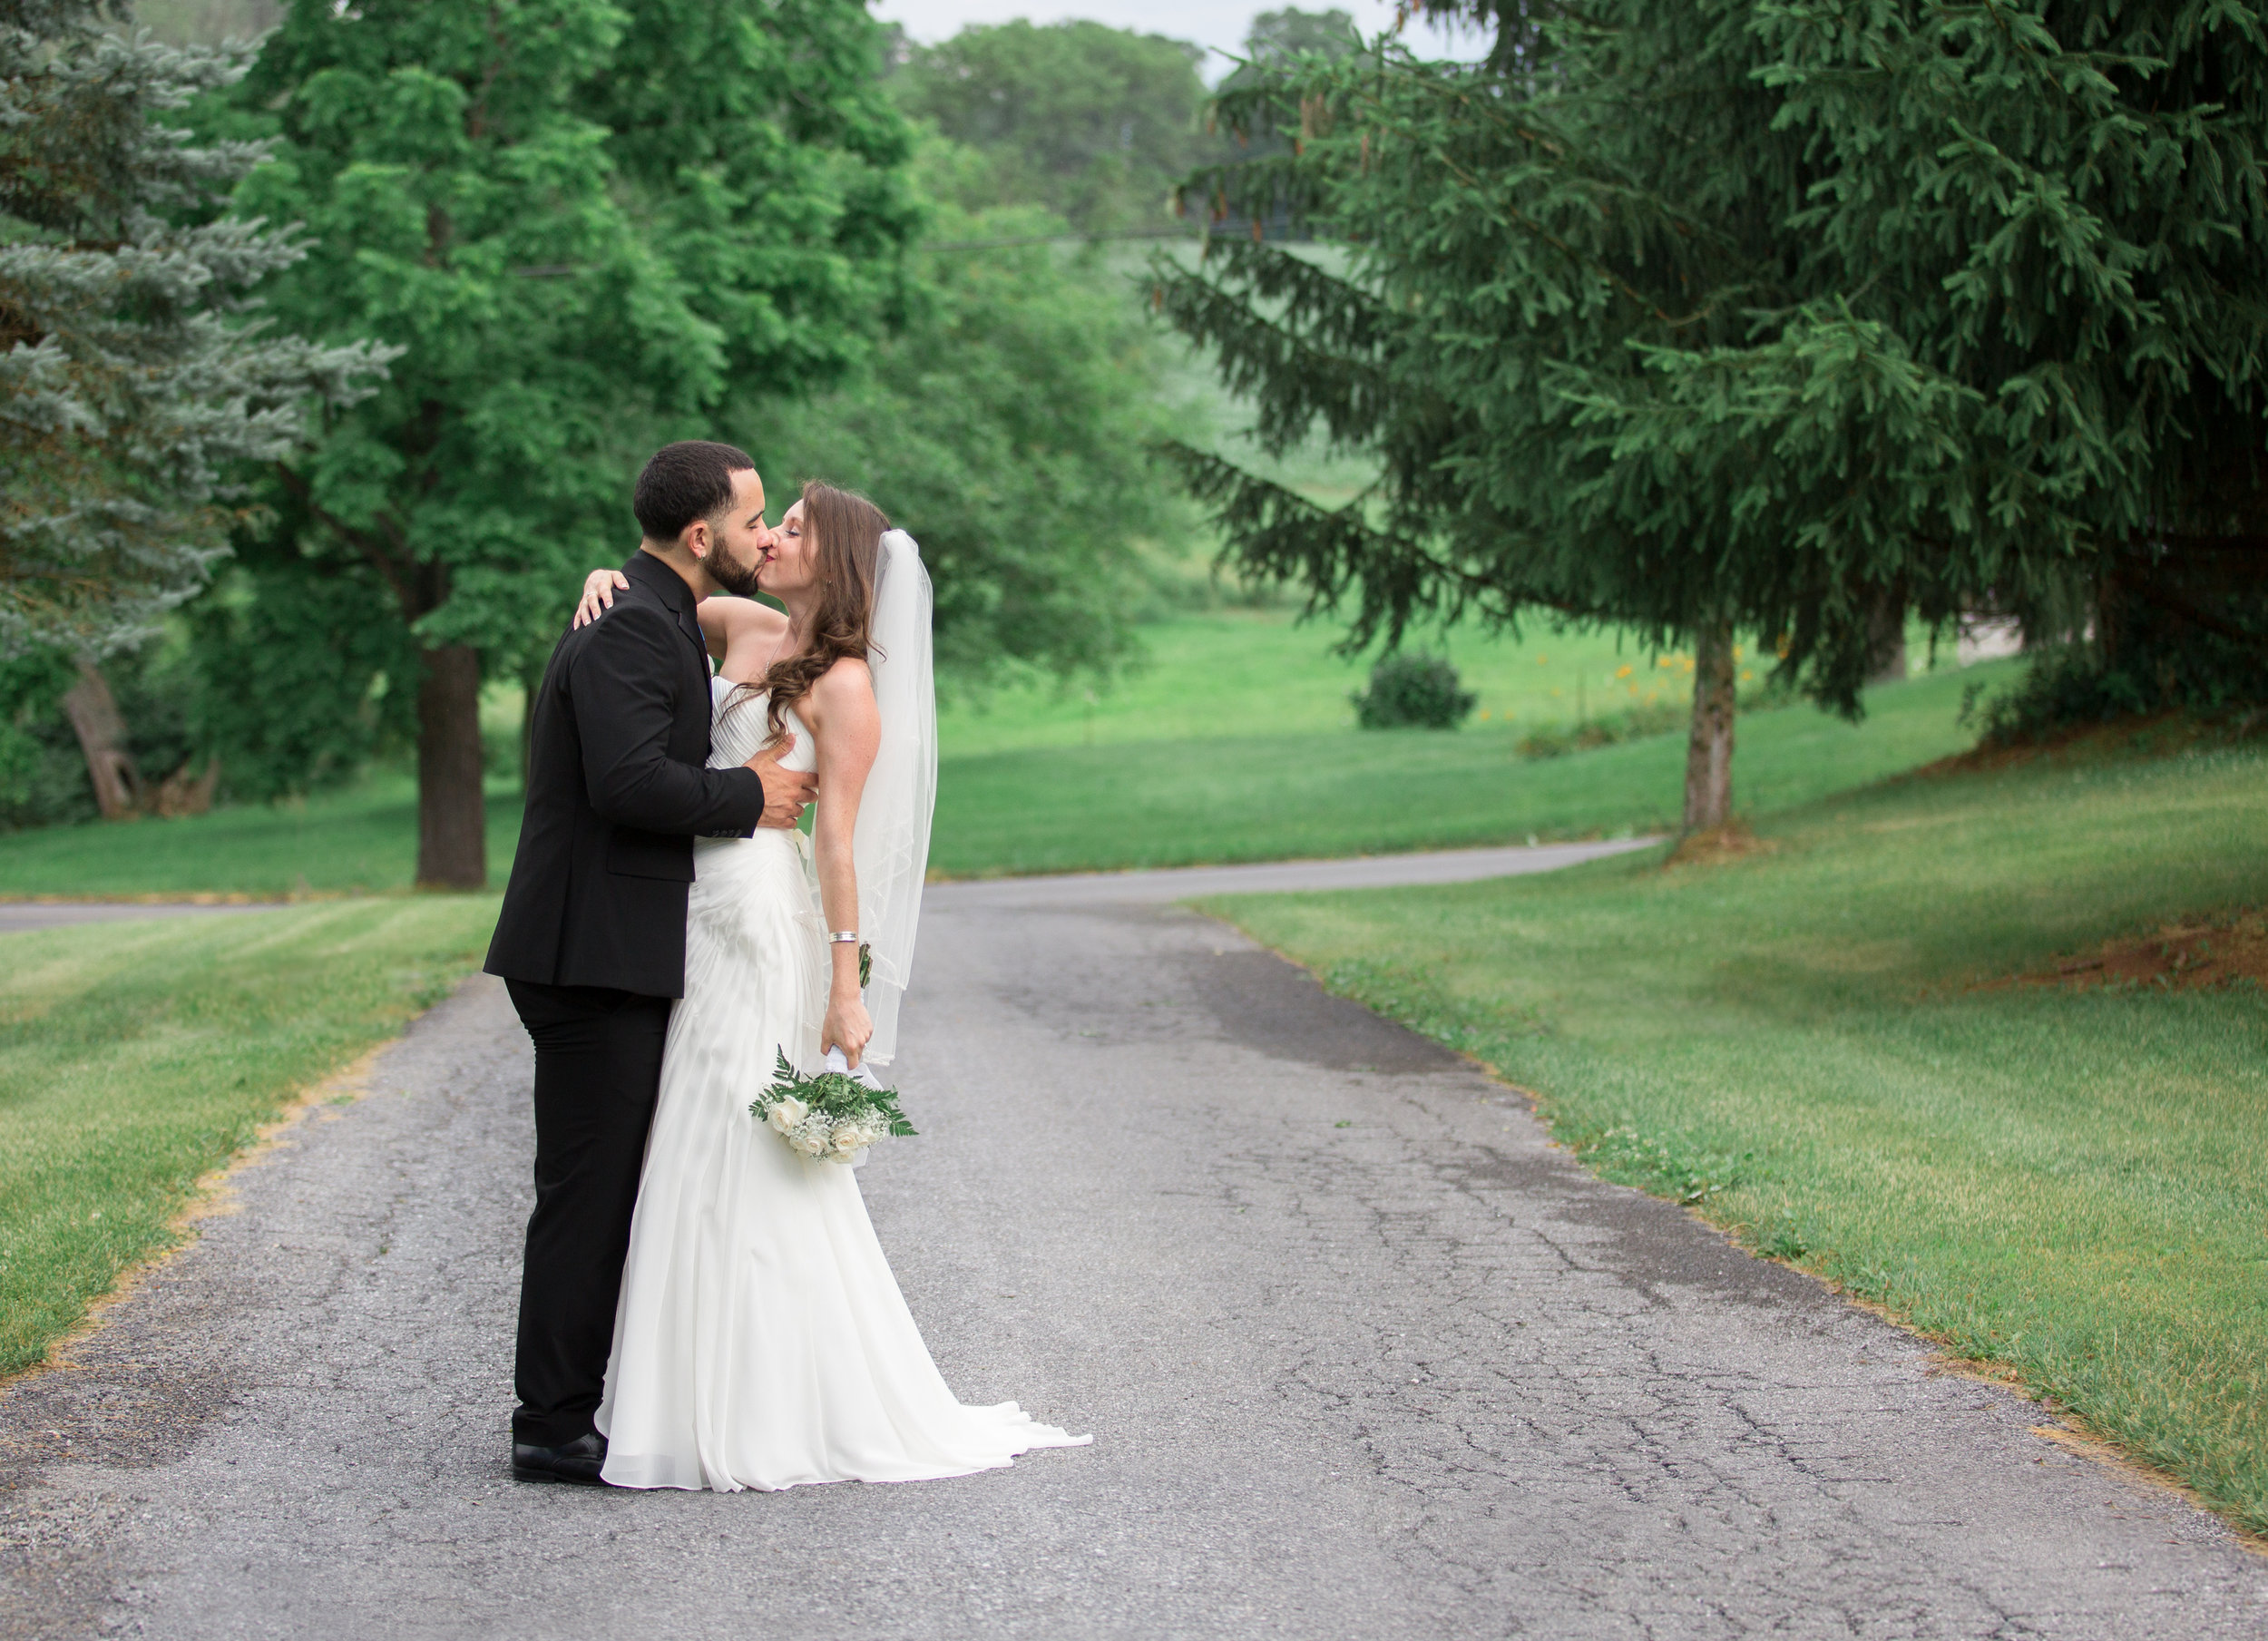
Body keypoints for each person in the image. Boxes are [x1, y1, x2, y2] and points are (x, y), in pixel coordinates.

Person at [567, 480, 1089, 1491]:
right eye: (773, 523)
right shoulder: (747, 624)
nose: (771, 538)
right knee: (684, 1129)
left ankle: (756, 1406)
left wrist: (845, 986)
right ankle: (675, 1390)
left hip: (761, 918)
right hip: (690, 908)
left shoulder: (846, 684)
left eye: (794, 529)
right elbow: (657, 602)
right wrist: (600, 577)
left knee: (734, 1139)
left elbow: (841, 842)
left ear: (837, 559)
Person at [484, 441, 817, 1486]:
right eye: (753, 519)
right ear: (698, 534)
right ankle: (550, 1424)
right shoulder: (635, 624)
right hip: (589, 957)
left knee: (600, 1185)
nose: (764, 536)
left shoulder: (650, 607)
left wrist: (614, 569)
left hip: (607, 948)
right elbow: (628, 784)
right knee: (587, 1193)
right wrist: (744, 799)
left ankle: (576, 1406)